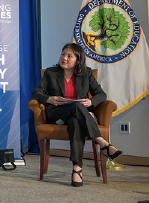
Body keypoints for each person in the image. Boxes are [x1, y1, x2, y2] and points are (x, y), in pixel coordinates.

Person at [32, 43, 122, 187]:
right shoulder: (51, 72)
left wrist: (90, 101)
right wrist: (49, 99)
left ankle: (77, 169)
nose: (64, 58)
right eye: (63, 54)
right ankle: (100, 141)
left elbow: (101, 94)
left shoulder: (86, 73)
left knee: (75, 121)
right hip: (57, 115)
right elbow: (37, 92)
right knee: (75, 105)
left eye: (69, 56)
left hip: (78, 116)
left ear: (78, 60)